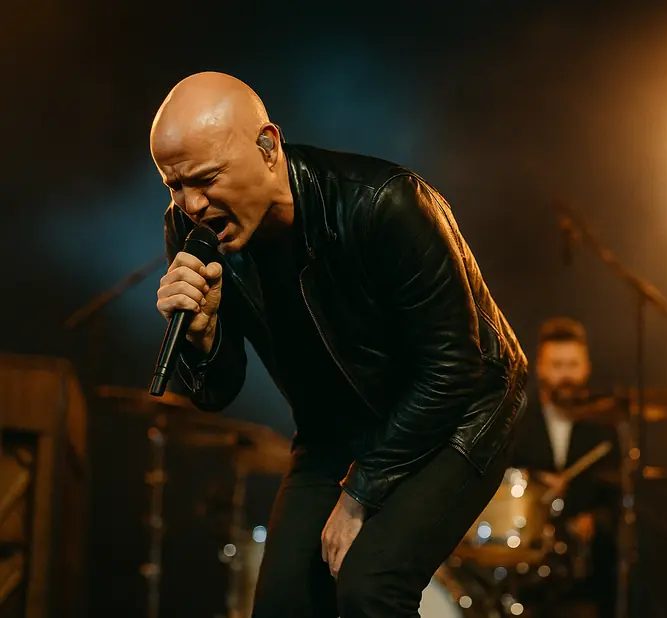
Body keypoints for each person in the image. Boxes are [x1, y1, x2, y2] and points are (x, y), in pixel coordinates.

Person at [150, 71, 528, 617]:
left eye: (206, 178)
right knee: (282, 604)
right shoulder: (191, 232)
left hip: (460, 410)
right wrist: (203, 336)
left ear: (268, 147)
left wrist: (360, 495)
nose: (191, 203)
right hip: (335, 429)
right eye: (173, 185)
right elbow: (217, 392)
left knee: (370, 584)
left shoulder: (384, 202)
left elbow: (453, 370)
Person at [509, 317, 620, 618]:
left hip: (587, 578)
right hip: (523, 570)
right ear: (540, 368)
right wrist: (533, 482)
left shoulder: (605, 427)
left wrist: (593, 521)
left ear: (587, 368)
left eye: (573, 364)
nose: (566, 375)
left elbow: (620, 499)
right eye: (557, 365)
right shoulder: (516, 421)